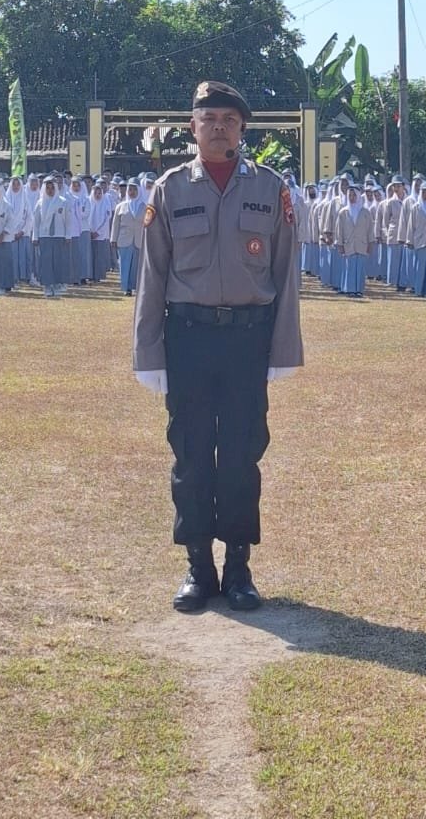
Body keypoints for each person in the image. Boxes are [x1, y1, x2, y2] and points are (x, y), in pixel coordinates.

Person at [133, 80, 303, 613]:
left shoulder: (270, 188)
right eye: (208, 119)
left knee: (240, 455)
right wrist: (149, 353)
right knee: (190, 454)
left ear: (243, 128)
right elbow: (152, 275)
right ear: (192, 128)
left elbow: (285, 272)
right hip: (188, 337)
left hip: (248, 339)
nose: (219, 127)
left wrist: (281, 349)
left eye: (229, 119)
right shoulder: (170, 190)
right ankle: (197, 567)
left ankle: (238, 567)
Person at [335, 181, 373, 297]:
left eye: (354, 195)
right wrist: (339, 244)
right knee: (349, 268)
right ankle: (349, 289)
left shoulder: (365, 212)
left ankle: (359, 290)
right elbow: (339, 230)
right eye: (350, 195)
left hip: (361, 244)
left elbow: (370, 230)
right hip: (348, 244)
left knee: (360, 269)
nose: (352, 198)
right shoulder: (343, 212)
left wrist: (370, 243)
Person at [110, 179, 145, 295]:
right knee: (124, 265)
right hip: (124, 239)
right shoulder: (121, 206)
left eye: (135, 189)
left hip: (139, 240)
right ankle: (126, 288)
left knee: (136, 266)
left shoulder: (145, 206)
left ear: (139, 191)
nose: (132, 192)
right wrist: (113, 239)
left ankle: (135, 287)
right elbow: (115, 224)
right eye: (130, 189)